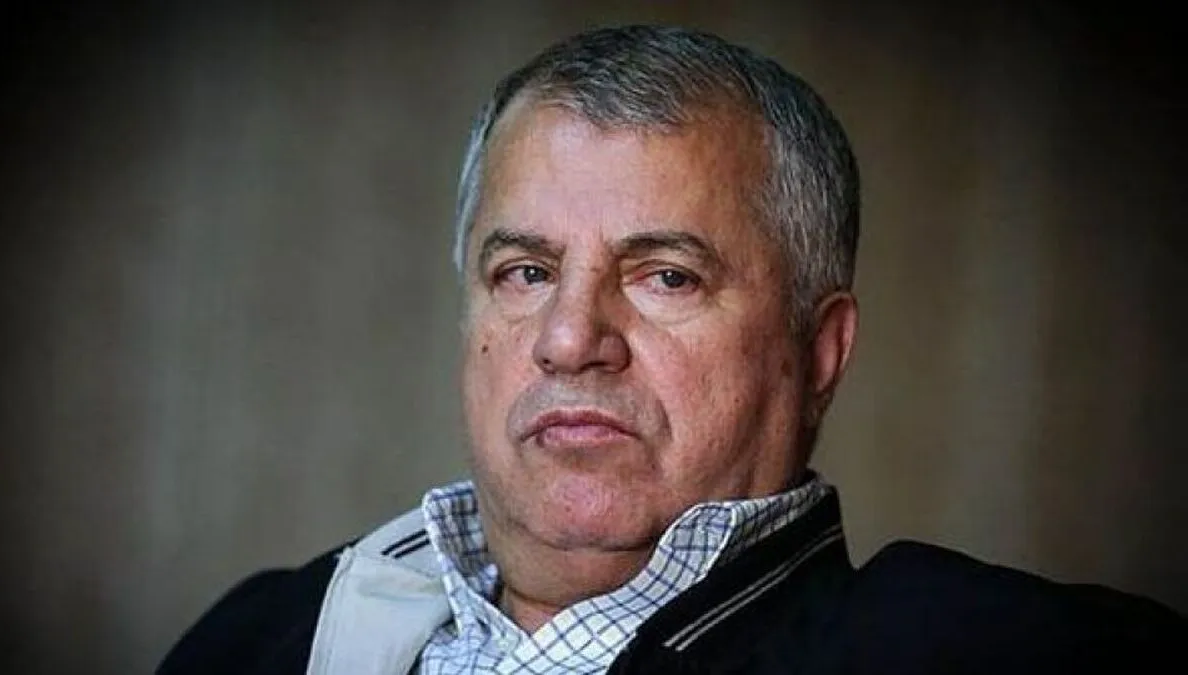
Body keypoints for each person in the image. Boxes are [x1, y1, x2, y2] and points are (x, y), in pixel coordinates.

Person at [157, 24, 1185, 674]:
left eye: (667, 277)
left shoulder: (1008, 654)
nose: (570, 341)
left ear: (820, 351)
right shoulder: (256, 637)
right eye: (526, 272)